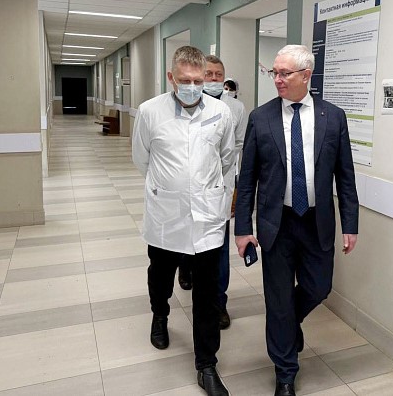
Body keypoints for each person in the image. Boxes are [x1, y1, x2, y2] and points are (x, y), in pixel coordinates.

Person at [234, 45, 359, 396]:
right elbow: (248, 179)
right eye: (274, 72)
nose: (277, 79)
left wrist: (350, 224)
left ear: (306, 75)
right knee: (277, 299)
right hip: (277, 222)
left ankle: (289, 324)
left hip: (317, 221)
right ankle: (285, 373)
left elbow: (345, 176)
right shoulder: (261, 117)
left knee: (319, 287)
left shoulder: (333, 117)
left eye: (284, 73)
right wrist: (242, 229)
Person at [132, 46, 234, 396]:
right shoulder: (150, 111)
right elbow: (141, 159)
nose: (191, 87)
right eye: (184, 80)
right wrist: (170, 187)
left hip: (207, 217)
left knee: (207, 294)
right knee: (160, 276)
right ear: (171, 78)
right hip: (166, 216)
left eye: (197, 80)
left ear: (205, 77)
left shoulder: (220, 112)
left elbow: (226, 158)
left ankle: (206, 364)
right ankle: (159, 314)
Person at [178, 55, 247, 330]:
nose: (214, 79)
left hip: (221, 185)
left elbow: (237, 147)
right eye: (209, 74)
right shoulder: (186, 103)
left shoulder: (236, 108)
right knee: (189, 234)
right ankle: (185, 266)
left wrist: (229, 184)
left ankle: (219, 302)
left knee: (219, 246)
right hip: (187, 187)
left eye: (219, 74)